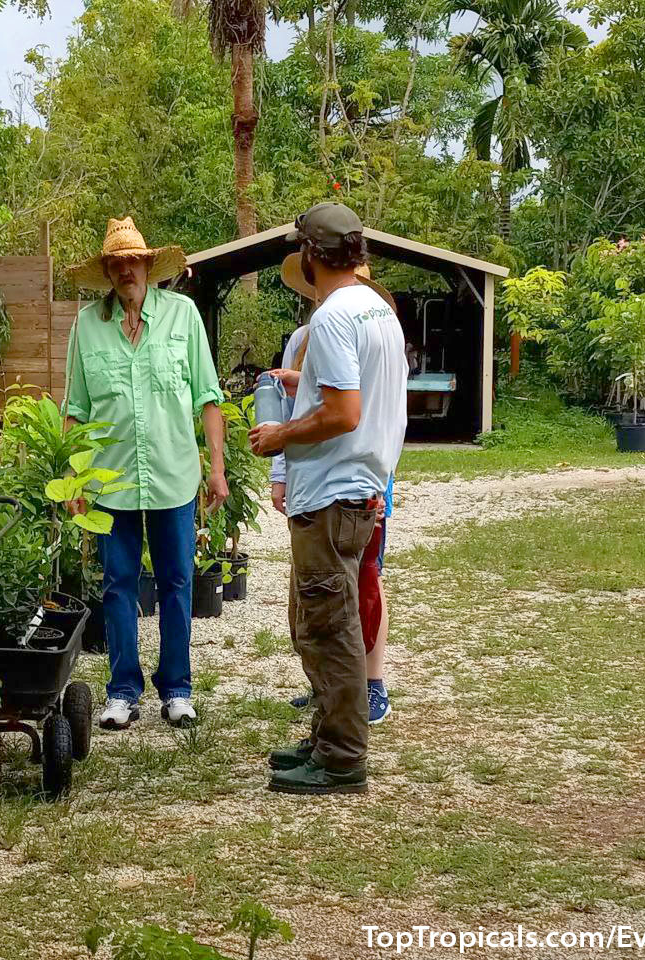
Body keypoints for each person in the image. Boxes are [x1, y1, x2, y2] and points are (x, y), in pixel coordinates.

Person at [249, 202, 406, 795]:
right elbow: (364, 397)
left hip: (332, 496)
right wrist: (302, 382)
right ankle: (326, 735)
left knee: (328, 627)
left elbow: (344, 413)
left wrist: (280, 434)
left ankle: (341, 757)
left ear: (311, 255)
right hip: (360, 490)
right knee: (316, 620)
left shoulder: (335, 316)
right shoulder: (378, 313)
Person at [63, 217, 227, 731]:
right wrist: (75, 479)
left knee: (178, 581)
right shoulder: (86, 326)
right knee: (117, 584)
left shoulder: (183, 317)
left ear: (149, 266)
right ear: (108, 270)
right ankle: (122, 691)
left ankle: (177, 687)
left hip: (174, 475)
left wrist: (217, 468)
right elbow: (74, 411)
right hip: (112, 483)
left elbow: (208, 396)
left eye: (133, 261)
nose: (125, 270)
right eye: (115, 263)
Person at [271, 262, 394, 725]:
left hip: (350, 483)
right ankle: (331, 702)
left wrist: (280, 436)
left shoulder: (352, 322)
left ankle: (363, 698)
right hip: (323, 484)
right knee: (319, 601)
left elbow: (362, 410)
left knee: (356, 590)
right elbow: (329, 398)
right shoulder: (310, 335)